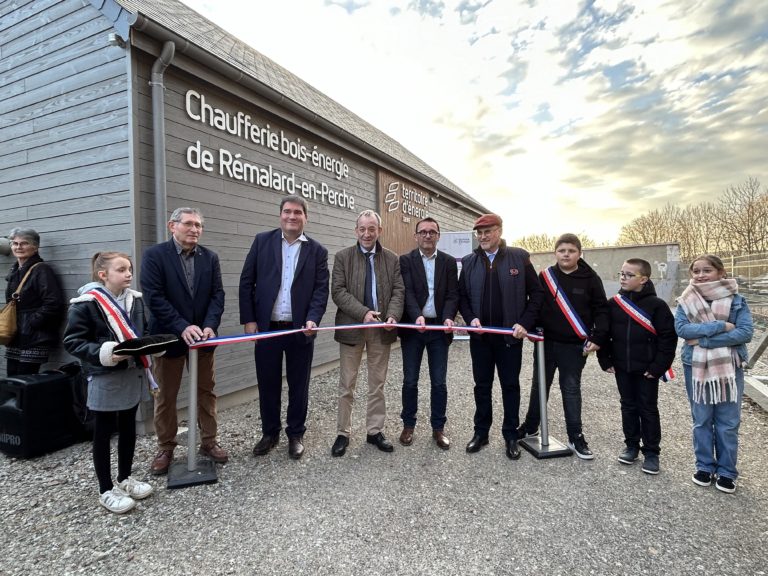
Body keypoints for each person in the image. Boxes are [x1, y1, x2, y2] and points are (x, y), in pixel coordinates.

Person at [63, 252, 155, 514]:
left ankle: (125, 478)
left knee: (128, 426)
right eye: (121, 269)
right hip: (105, 374)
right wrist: (105, 352)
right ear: (103, 275)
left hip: (131, 372)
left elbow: (142, 332)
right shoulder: (86, 302)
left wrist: (152, 345)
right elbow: (73, 341)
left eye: (129, 269)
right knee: (103, 432)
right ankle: (105, 489)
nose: (128, 274)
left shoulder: (134, 300)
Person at [238, 196, 329, 460]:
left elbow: (320, 291)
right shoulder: (262, 241)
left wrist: (313, 318)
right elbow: (247, 282)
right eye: (287, 212)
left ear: (305, 217)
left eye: (298, 212)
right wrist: (250, 320)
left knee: (299, 385)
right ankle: (270, 432)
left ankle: (296, 433)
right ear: (280, 215)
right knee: (268, 383)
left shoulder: (317, 251)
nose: (292, 216)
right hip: (267, 328)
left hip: (300, 330)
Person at [141, 207, 227, 475]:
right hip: (169, 339)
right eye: (189, 224)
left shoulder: (209, 258)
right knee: (166, 396)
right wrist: (182, 327)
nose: (195, 229)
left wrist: (210, 326)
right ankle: (166, 447)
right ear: (172, 226)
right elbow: (154, 297)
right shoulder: (155, 256)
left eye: (199, 225)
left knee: (206, 391)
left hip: (202, 340)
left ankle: (209, 442)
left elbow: (217, 295)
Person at [458, 214, 543, 460]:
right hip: (481, 338)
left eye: (488, 231)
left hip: (509, 338)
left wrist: (525, 323)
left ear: (500, 231)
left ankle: (510, 435)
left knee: (510, 386)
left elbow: (536, 295)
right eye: (479, 233)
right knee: (482, 386)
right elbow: (462, 296)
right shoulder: (469, 261)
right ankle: (481, 432)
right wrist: (471, 318)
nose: (483, 237)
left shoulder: (520, 257)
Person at [518, 233, 609, 459]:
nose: (566, 254)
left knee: (571, 389)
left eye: (571, 251)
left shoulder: (591, 278)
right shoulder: (545, 276)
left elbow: (601, 310)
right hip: (546, 344)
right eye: (561, 250)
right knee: (540, 386)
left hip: (574, 346)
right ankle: (531, 426)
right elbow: (536, 304)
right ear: (555, 253)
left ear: (579, 253)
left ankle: (575, 436)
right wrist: (533, 328)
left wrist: (598, 337)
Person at [675, 254, 753, 494]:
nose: (700, 275)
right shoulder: (686, 300)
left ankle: (727, 471)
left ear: (721, 272)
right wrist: (720, 326)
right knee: (702, 419)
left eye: (706, 270)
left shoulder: (737, 300)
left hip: (729, 367)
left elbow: (745, 333)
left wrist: (704, 341)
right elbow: (682, 329)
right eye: (696, 271)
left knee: (728, 422)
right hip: (695, 367)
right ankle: (704, 466)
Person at [330, 209, 404, 456]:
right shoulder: (343, 257)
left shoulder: (393, 259)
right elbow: (338, 292)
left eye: (372, 229)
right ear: (356, 231)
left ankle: (374, 431)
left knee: (377, 384)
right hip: (353, 327)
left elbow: (398, 291)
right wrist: (363, 313)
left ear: (379, 231)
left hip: (381, 329)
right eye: (362, 228)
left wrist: (392, 315)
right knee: (347, 384)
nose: (367, 233)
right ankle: (343, 433)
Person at [597, 258, 677, 474]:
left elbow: (668, 338)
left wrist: (658, 367)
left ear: (644, 279)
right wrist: (605, 359)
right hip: (622, 366)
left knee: (648, 408)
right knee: (628, 405)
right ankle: (631, 445)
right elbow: (604, 333)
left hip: (647, 369)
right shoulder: (613, 304)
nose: (623, 278)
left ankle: (651, 452)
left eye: (629, 275)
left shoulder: (657, 306)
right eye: (621, 273)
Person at [398, 217, 458, 450]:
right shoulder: (406, 261)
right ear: (416, 236)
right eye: (422, 232)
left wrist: (448, 317)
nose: (427, 235)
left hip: (439, 330)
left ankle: (438, 428)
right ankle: (408, 425)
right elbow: (407, 291)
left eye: (432, 231)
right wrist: (415, 316)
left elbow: (453, 294)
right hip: (414, 329)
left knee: (439, 382)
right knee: (410, 380)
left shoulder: (449, 262)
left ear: (438, 235)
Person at [3, 228, 64, 376]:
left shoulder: (42, 269)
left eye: (24, 243)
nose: (18, 247)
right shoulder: (15, 270)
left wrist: (32, 322)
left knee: (26, 382)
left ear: (35, 246)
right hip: (17, 335)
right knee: (12, 381)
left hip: (34, 337)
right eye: (15, 243)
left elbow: (53, 303)